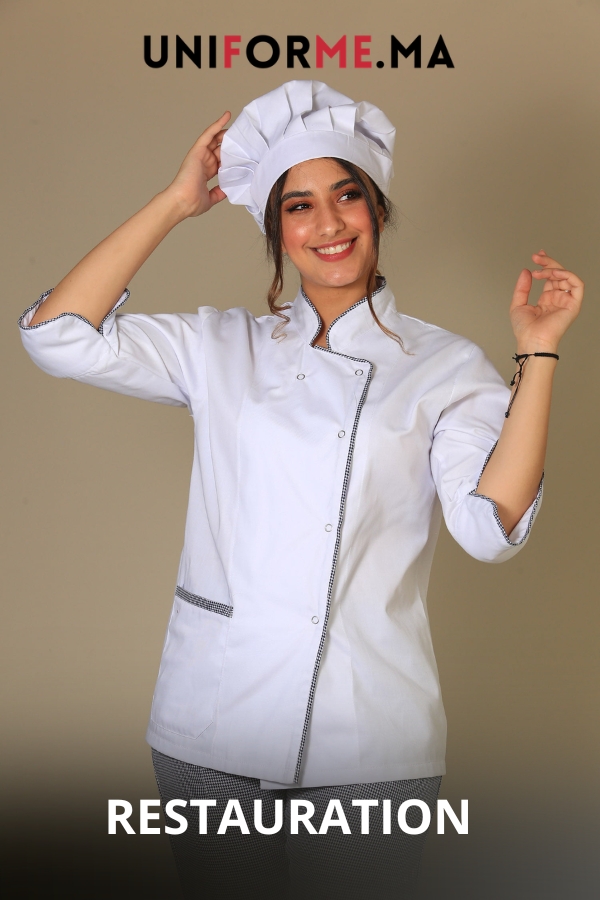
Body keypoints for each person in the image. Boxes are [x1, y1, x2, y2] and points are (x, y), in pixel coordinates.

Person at [19, 81, 583, 899]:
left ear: (377, 210)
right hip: (213, 722)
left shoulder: (445, 366)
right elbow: (58, 337)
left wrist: (537, 353)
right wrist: (177, 203)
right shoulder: (222, 346)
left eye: (347, 196)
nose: (328, 224)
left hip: (370, 739)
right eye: (299, 206)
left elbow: (487, 529)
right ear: (276, 232)